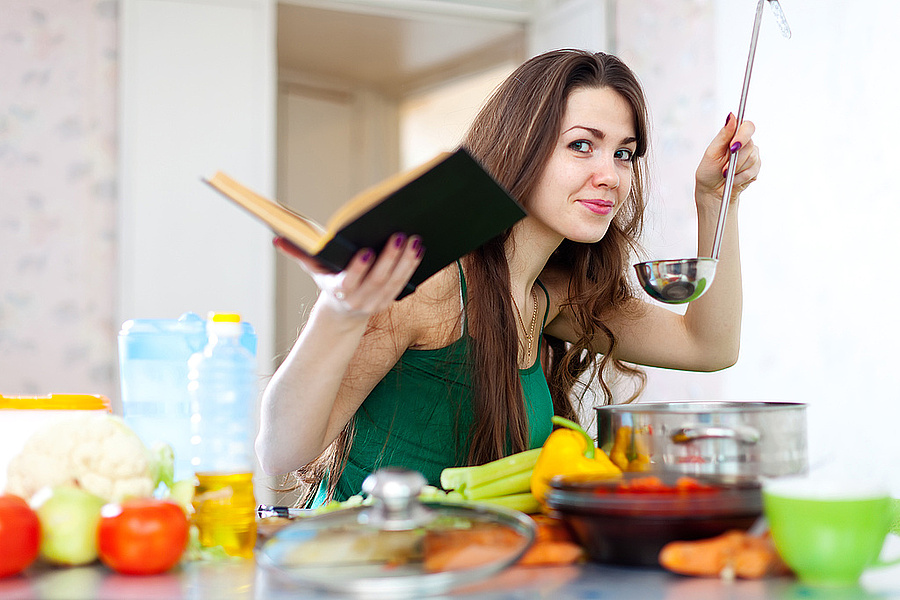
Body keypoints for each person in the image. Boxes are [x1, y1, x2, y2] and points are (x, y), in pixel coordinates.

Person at [256, 49, 760, 505]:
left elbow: (708, 347)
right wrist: (338, 312)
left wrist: (717, 202)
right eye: (582, 146)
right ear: (520, 146)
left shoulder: (553, 297)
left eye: (623, 153)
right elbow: (280, 453)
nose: (610, 174)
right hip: (371, 566)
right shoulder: (431, 289)